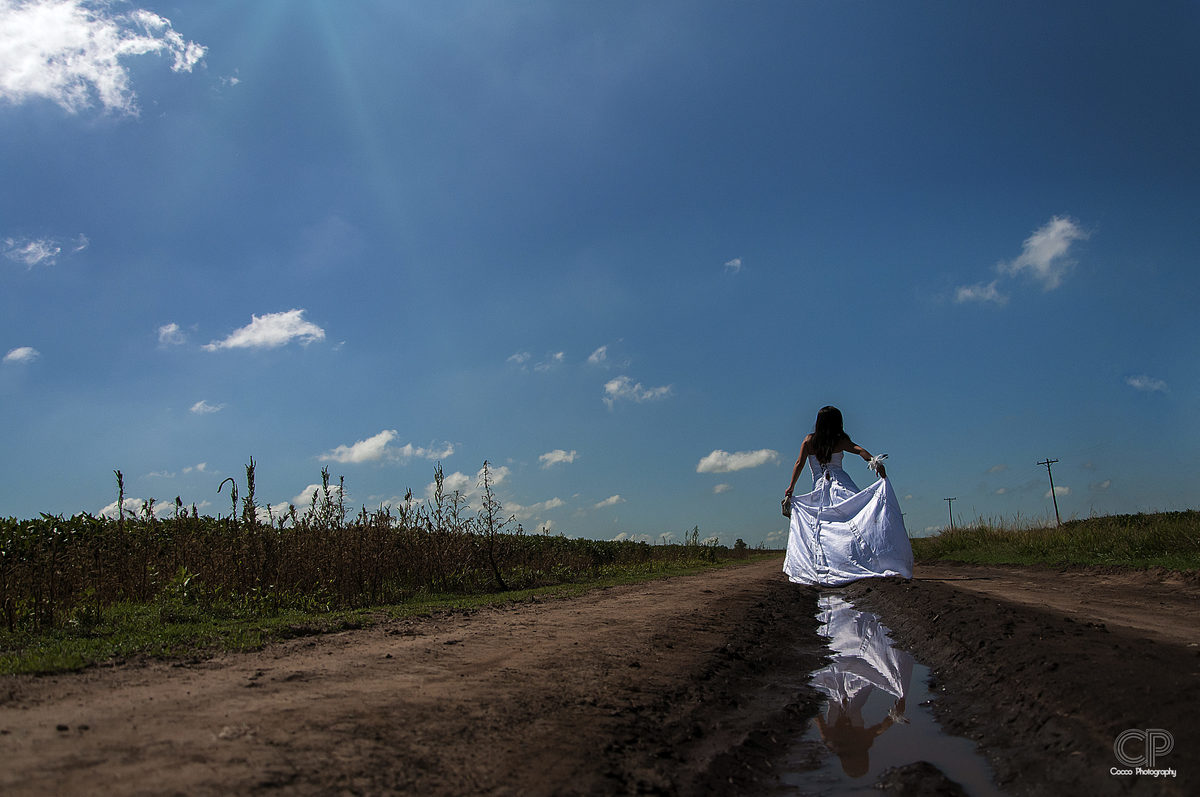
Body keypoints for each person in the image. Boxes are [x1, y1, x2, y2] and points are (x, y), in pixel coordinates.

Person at [782, 406, 913, 585]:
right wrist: (875, 462)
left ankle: (830, 563)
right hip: (842, 483)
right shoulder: (840, 440)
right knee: (855, 519)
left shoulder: (809, 441)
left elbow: (799, 463)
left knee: (823, 526)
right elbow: (860, 451)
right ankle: (861, 560)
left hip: (820, 487)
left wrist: (791, 487)